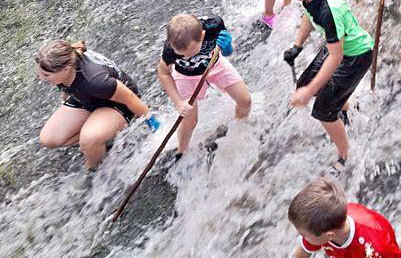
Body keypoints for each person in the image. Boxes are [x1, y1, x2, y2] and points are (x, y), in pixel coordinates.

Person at [281, 0, 373, 176]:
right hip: (340, 48)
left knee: (322, 111)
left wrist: (308, 92)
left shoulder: (328, 10)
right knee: (305, 84)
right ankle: (344, 106)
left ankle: (345, 155)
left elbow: (335, 58)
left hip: (356, 56)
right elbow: (309, 15)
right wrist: (298, 45)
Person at [36, 41, 159, 169]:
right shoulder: (64, 64)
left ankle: (95, 168)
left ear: (66, 69)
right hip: (87, 97)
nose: (41, 77)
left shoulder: (96, 81)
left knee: (89, 140)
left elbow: (131, 98)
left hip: (117, 103)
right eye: (40, 73)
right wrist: (66, 95)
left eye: (46, 75)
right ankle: (99, 136)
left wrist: (153, 124)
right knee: (49, 139)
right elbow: (67, 86)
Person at [157, 13, 251, 155]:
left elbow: (229, 50)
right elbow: (163, 73)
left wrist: (228, 48)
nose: (187, 56)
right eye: (181, 54)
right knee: (190, 120)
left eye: (192, 52)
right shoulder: (170, 49)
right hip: (186, 76)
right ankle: (181, 151)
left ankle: (239, 127)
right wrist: (178, 102)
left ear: (202, 35)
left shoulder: (214, 26)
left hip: (215, 65)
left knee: (245, 100)